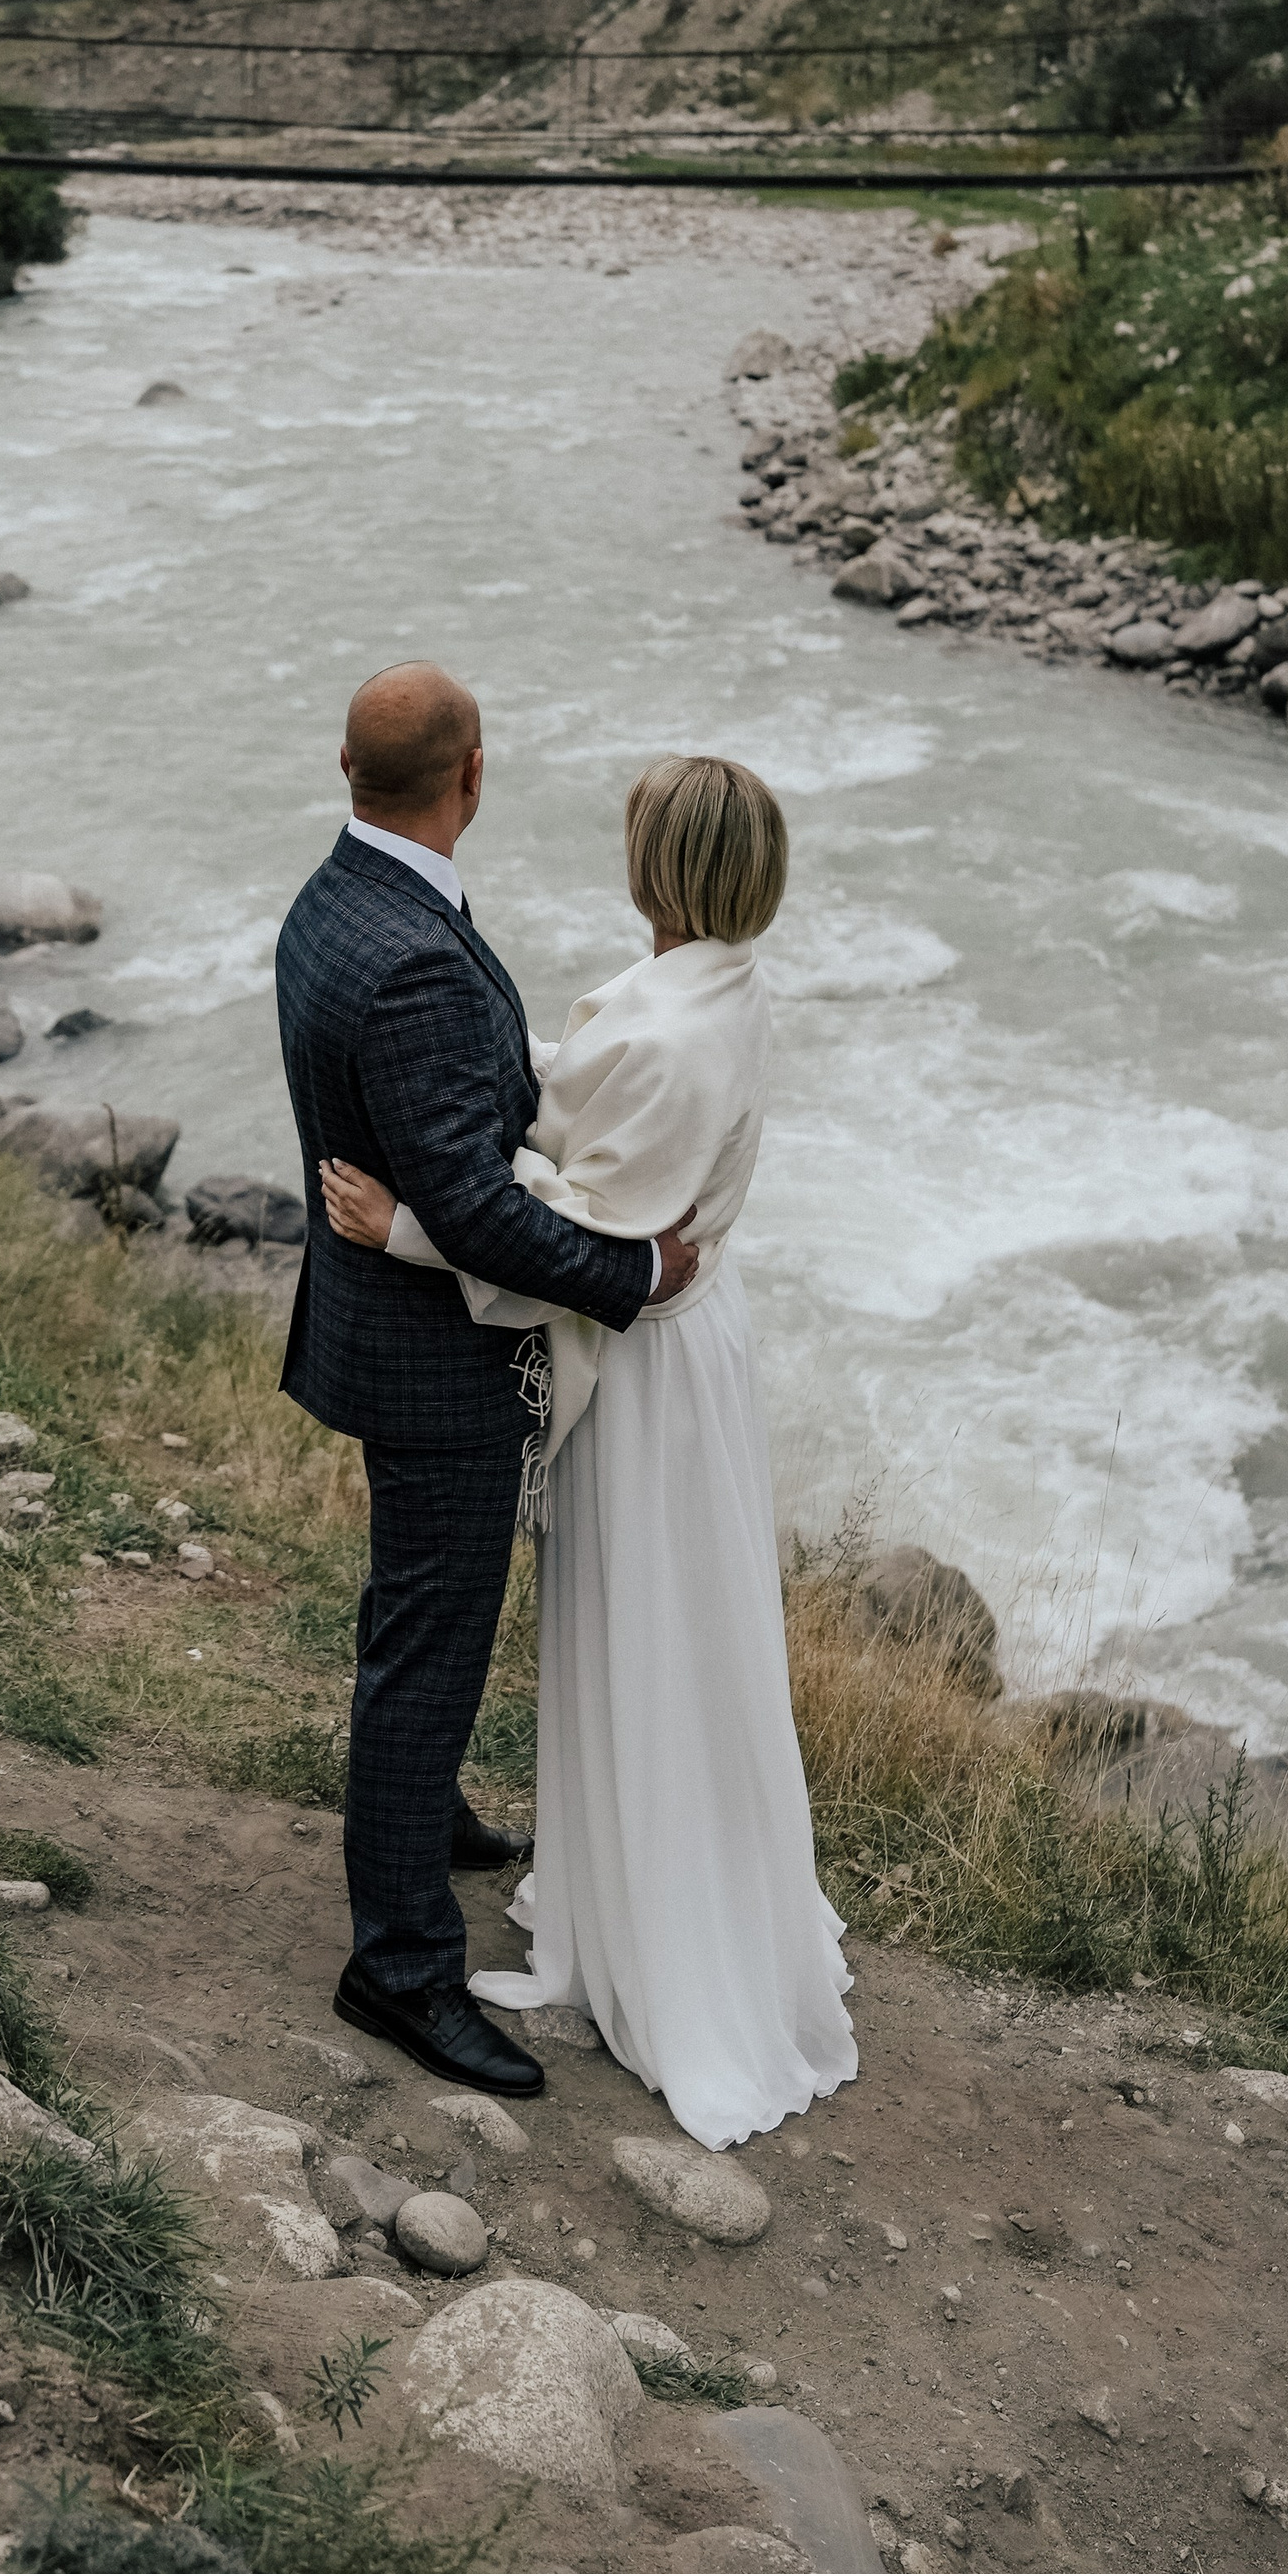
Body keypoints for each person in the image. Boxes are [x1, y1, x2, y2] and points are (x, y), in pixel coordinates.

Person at [319, 751, 857, 2150]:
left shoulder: (672, 1034)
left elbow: (586, 1249)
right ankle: (641, 1875)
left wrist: (409, 1226)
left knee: (645, 1627)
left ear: (659, 869)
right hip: (690, 1332)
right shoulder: (721, 982)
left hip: (649, 1358)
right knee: (681, 1621)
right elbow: (584, 1131)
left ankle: (653, 1929)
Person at [275, 662, 697, 2098]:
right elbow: (473, 1213)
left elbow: (436, 1134)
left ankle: (423, 1807)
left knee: (418, 1618)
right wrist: (638, 1277)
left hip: (374, 1324)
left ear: (350, 771)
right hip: (436, 1360)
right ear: (474, 776)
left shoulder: (333, 903)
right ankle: (396, 1965)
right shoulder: (412, 954)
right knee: (429, 1641)